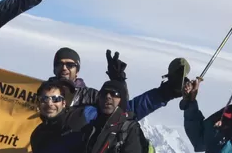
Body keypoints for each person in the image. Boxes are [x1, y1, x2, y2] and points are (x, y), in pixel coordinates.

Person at [51, 47, 188, 113]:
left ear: (77, 69)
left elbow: (124, 113)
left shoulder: (91, 97)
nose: (64, 68)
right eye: (59, 64)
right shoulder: (39, 92)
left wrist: (166, 93)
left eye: (70, 65)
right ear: (54, 68)